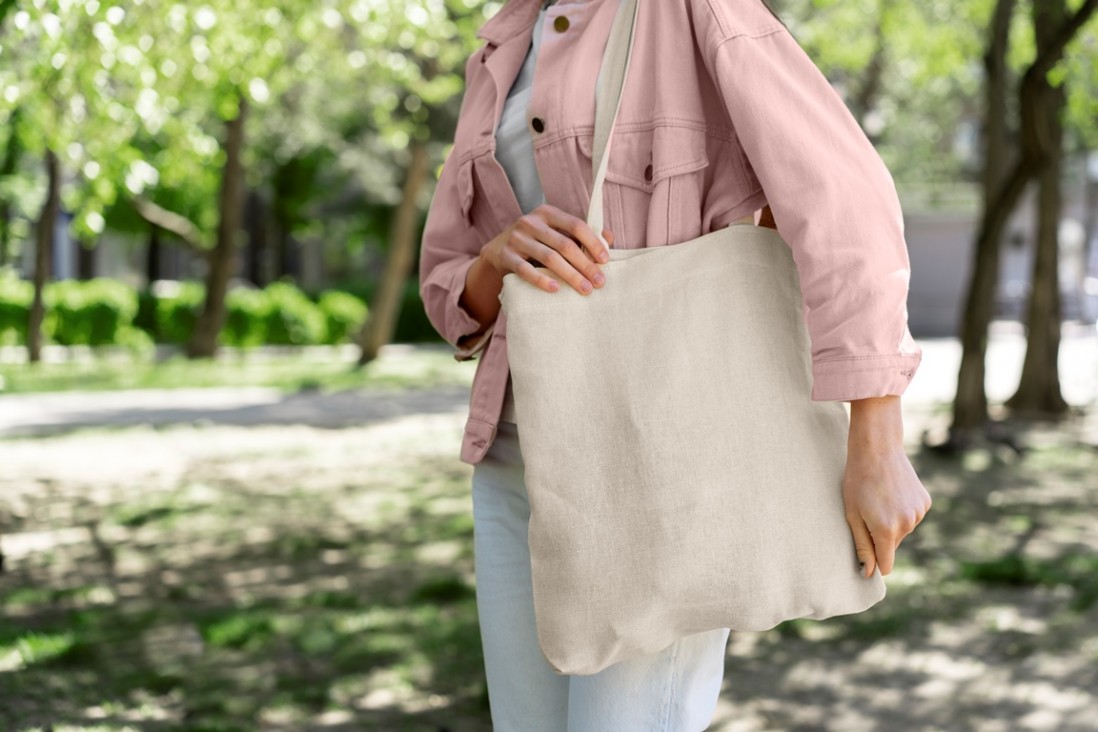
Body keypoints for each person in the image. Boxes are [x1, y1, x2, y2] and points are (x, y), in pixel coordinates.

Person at [418, 0, 932, 729]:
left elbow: (845, 202)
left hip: (659, 470)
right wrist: (495, 262)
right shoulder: (502, 40)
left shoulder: (692, 10)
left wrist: (876, 440)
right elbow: (445, 280)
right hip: (512, 469)